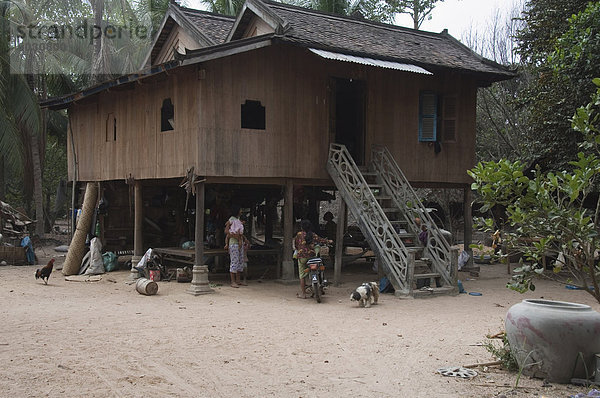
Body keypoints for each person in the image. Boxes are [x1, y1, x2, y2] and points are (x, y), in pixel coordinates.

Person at [294, 219, 332, 298]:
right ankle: (321, 288)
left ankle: (303, 294)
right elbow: (321, 240)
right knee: (319, 269)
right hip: (312, 257)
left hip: (302, 257)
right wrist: (329, 241)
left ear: (302, 227)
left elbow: (296, 245)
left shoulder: (299, 235)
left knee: (302, 275)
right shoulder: (313, 235)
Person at [224, 205, 246, 288]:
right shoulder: (232, 219)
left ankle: (238, 280)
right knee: (234, 261)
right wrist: (234, 236)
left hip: (239, 243)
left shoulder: (238, 220)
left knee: (240, 261)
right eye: (240, 209)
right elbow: (226, 231)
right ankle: (232, 281)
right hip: (234, 243)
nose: (241, 211)